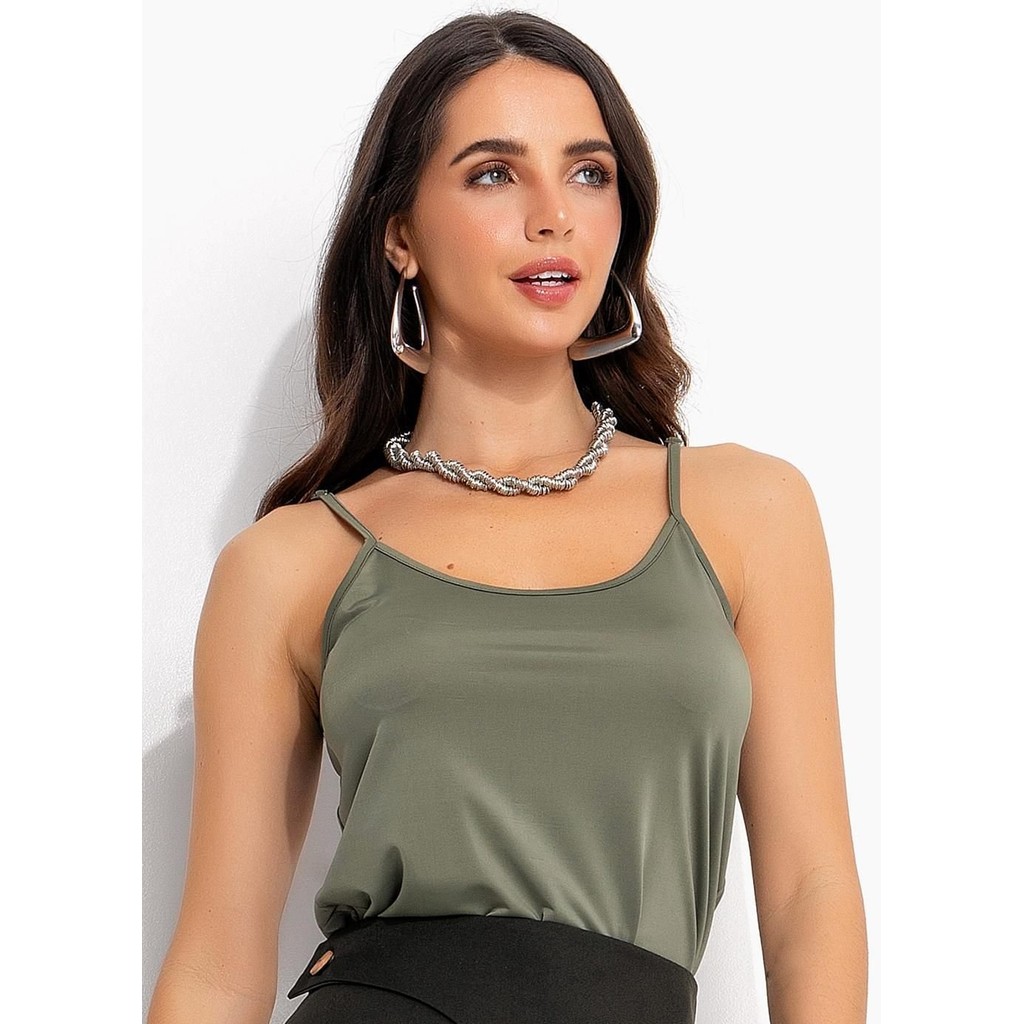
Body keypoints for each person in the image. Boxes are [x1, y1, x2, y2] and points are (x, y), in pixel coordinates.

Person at [147, 10, 867, 1024]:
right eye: (493, 173)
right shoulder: (292, 562)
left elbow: (809, 898)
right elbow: (217, 968)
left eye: (588, 173)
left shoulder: (747, 511)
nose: (553, 215)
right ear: (400, 235)